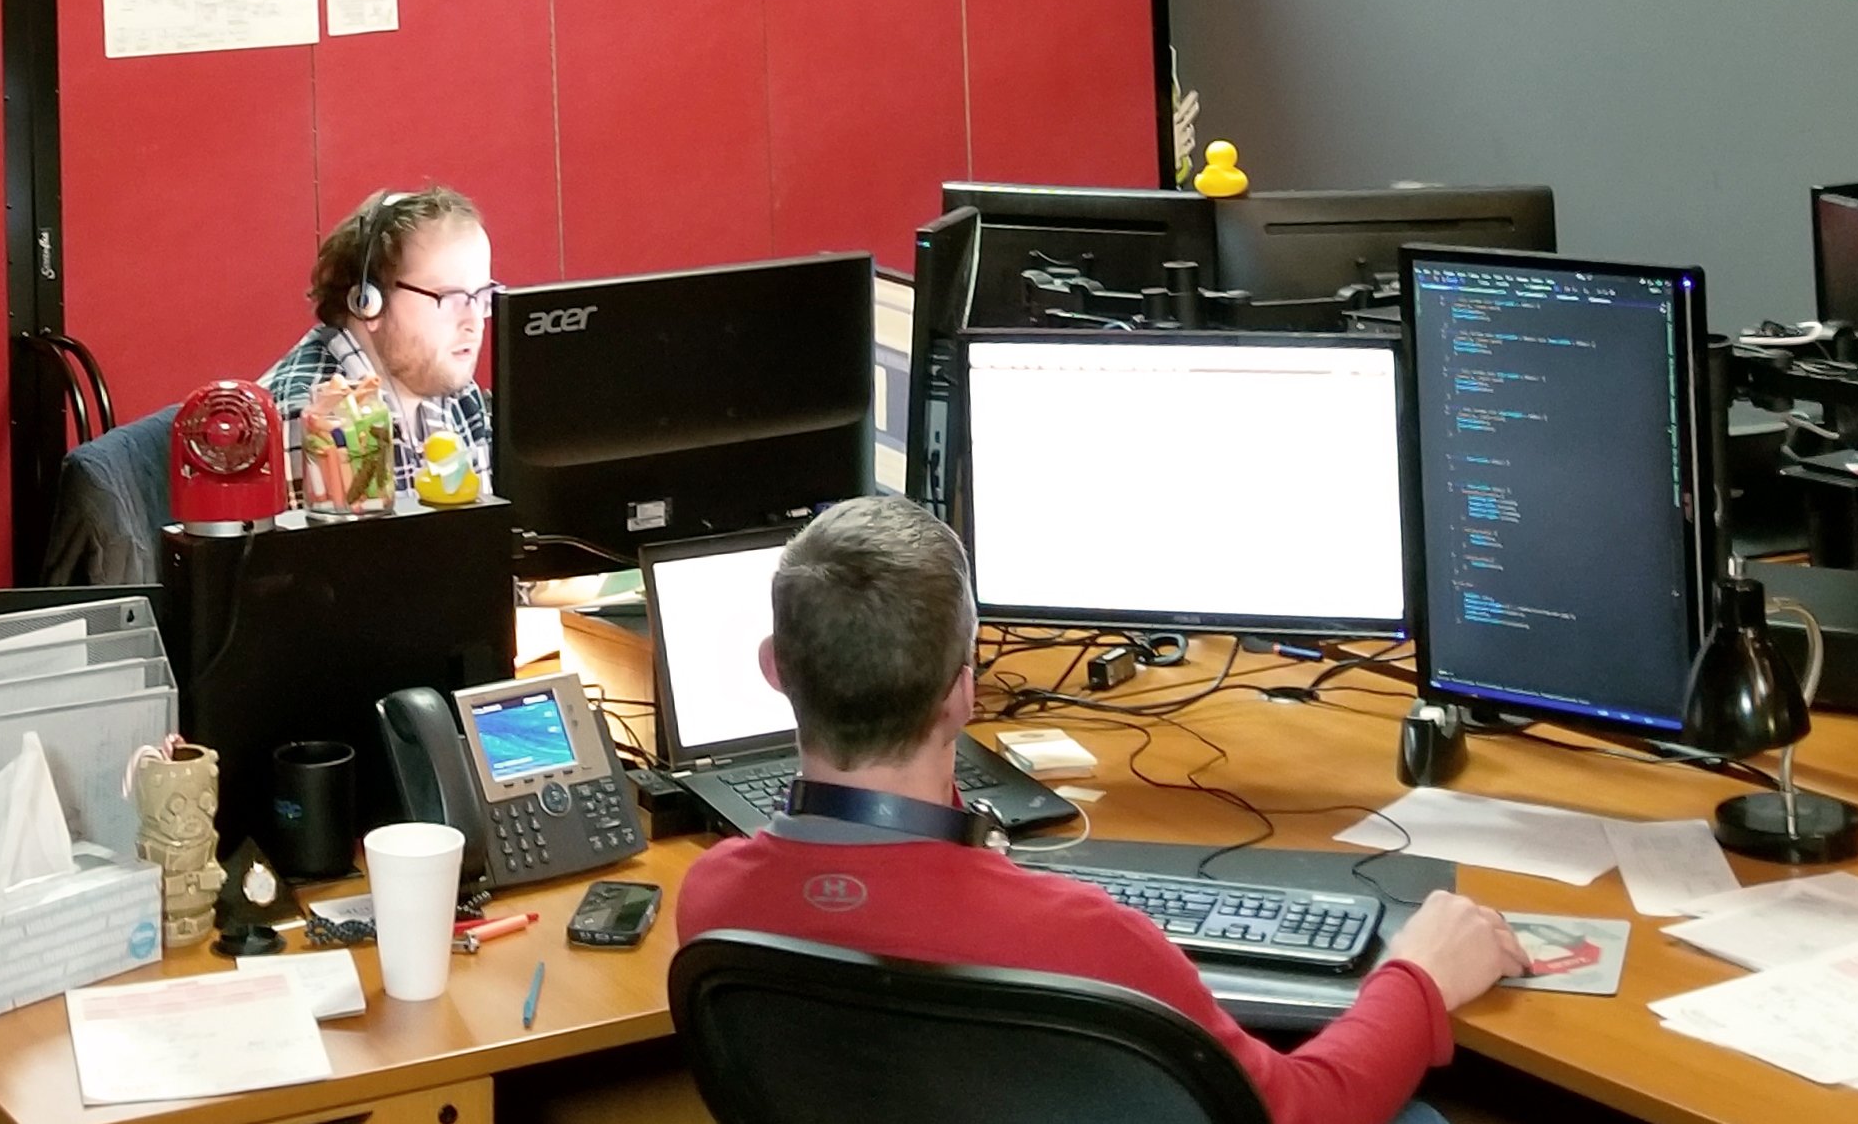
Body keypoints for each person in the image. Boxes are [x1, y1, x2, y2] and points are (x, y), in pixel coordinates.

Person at [671, 497, 1520, 1124]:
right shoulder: (1078, 932)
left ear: (774, 667)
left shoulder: (713, 904)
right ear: (963, 689)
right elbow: (1299, 1109)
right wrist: (1418, 977)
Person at [260, 186, 496, 500]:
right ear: (369, 302)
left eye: (481, 297)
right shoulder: (310, 417)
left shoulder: (455, 393)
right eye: (449, 298)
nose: (474, 322)